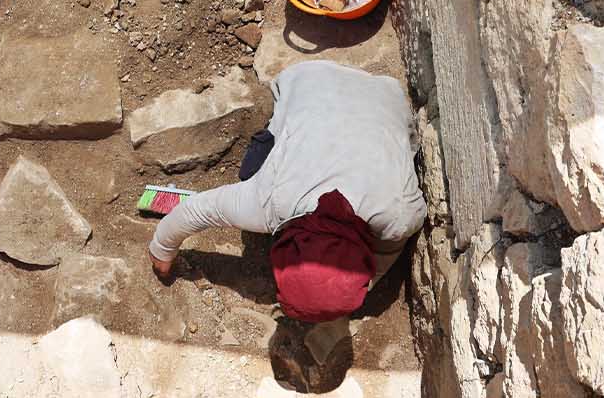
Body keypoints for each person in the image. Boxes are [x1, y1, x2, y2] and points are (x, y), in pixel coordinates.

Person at [147, 61, 427, 322]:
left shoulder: (401, 217)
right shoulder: (268, 200)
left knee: (256, 170)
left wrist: (343, 292)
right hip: (316, 81)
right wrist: (161, 250)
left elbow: (381, 257)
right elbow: (200, 209)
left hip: (374, 91)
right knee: (250, 174)